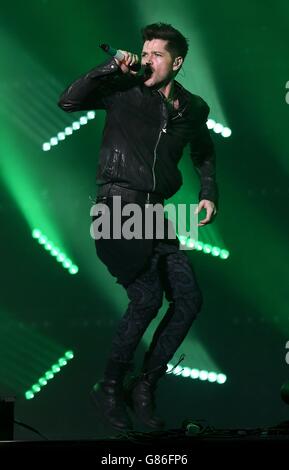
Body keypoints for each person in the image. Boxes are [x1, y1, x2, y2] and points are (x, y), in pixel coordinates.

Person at [58, 22, 218, 432]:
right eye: (144, 52)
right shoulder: (124, 90)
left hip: (154, 212)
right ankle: (109, 386)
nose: (146, 60)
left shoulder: (193, 108)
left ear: (176, 62)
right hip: (117, 208)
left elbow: (203, 150)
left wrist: (208, 192)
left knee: (188, 299)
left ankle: (144, 384)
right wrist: (109, 68)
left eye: (156, 54)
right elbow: (68, 101)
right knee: (146, 298)